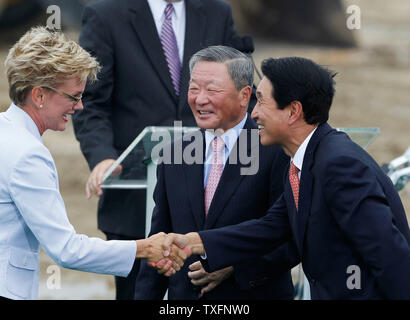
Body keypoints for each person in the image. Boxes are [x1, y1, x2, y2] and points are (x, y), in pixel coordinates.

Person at [162, 57, 410, 299]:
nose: (254, 114)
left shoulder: (339, 165)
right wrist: (195, 242)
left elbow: (389, 256)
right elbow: (271, 227)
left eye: (261, 102)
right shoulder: (305, 161)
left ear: (293, 111)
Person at [72, 0, 241, 299]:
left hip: (213, 200)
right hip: (135, 198)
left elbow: (242, 93)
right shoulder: (105, 14)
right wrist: (103, 157)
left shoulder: (218, 12)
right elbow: (90, 102)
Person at [0, 26, 185, 300]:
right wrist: (144, 248)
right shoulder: (29, 155)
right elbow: (66, 249)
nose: (80, 107)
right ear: (38, 95)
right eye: (74, 96)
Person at [134, 46, 298, 300]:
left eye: (212, 89)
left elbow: (291, 238)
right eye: (194, 88)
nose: (200, 99)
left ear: (245, 95)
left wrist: (234, 266)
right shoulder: (174, 155)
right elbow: (160, 242)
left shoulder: (277, 151)